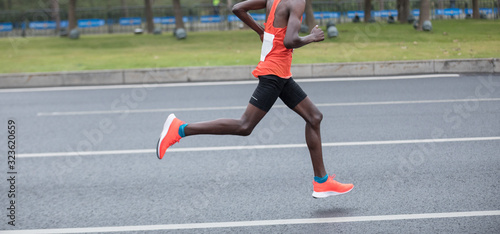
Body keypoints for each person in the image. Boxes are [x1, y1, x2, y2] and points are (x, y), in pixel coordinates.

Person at [157, 0, 354, 199]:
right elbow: (290, 40)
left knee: (314, 117)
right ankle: (180, 129)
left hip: (281, 73)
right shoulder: (296, 1)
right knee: (244, 126)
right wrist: (311, 37)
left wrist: (261, 31)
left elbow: (238, 8)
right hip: (274, 73)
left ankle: (321, 182)